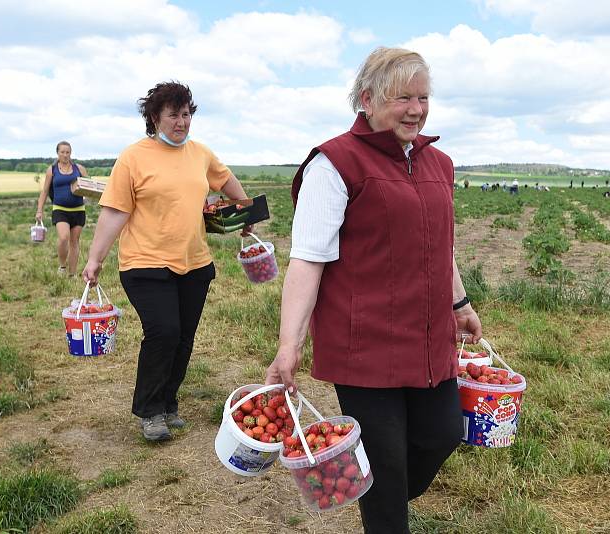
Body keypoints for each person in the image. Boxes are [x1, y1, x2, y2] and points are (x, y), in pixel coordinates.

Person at [265, 47, 483, 534]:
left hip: (431, 339)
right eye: (403, 97)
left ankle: (376, 487)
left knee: (442, 434)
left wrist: (460, 303)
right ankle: (382, 504)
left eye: (423, 97)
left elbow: (439, 245)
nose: (417, 109)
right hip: (366, 346)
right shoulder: (335, 163)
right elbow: (308, 258)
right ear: (366, 99)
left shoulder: (439, 164)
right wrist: (289, 345)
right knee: (385, 473)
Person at [82, 81, 252, 442]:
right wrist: (95, 259)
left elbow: (228, 183)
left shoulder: (201, 154)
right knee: (163, 332)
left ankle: (169, 401)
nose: (181, 121)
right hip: (144, 262)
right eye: (173, 114)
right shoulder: (134, 157)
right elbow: (114, 211)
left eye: (186, 113)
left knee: (184, 338)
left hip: (194, 262)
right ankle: (150, 410)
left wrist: (244, 208)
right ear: (155, 118)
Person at [36, 141, 89, 276]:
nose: (65, 155)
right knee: (64, 237)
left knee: (74, 242)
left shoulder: (79, 168)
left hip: (78, 210)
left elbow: (89, 186)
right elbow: (45, 191)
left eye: (68, 152)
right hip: (60, 209)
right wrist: (39, 210)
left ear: (70, 153)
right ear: (57, 153)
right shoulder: (52, 170)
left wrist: (86, 195)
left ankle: (72, 274)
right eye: (62, 152)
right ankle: (62, 266)